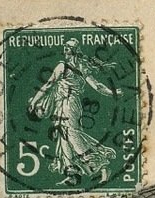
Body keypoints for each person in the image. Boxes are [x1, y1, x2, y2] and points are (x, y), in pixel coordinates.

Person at [28, 39, 119, 186]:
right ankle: (72, 174)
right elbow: (97, 86)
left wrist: (34, 101)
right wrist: (111, 92)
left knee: (72, 134)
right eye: (65, 47)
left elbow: (49, 85)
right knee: (63, 136)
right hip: (62, 104)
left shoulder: (63, 66)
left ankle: (102, 166)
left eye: (67, 47)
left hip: (69, 104)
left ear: (72, 50)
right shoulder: (79, 66)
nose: (65, 49)